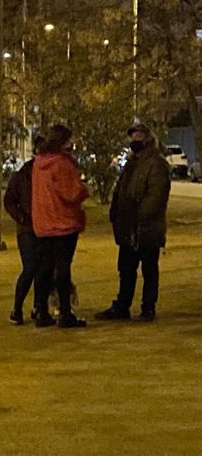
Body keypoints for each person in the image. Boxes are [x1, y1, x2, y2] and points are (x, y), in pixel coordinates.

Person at [95, 124, 171, 322]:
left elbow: (156, 197)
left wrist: (138, 216)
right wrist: (116, 212)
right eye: (132, 136)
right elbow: (120, 190)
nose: (134, 140)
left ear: (147, 138)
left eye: (138, 136)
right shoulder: (131, 164)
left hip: (146, 228)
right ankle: (122, 305)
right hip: (128, 227)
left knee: (148, 269)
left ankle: (148, 307)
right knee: (126, 269)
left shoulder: (157, 164)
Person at [32, 125, 89, 328]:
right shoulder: (62, 164)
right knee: (63, 267)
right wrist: (83, 188)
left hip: (44, 221)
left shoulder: (39, 163)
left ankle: (41, 310)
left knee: (45, 267)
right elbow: (71, 193)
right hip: (63, 222)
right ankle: (65, 312)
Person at [4, 136, 45, 325]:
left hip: (46, 227)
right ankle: (17, 308)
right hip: (27, 229)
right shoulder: (22, 174)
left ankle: (38, 306)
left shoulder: (48, 172)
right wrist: (21, 217)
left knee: (44, 269)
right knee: (30, 268)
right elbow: (9, 201)